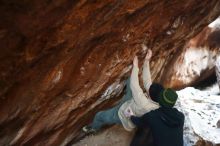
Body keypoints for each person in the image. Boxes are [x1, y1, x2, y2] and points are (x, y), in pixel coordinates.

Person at [82, 49, 164, 134]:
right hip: (131, 102)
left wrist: (135, 66)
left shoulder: (144, 103)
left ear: (150, 95)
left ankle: (94, 128)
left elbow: (134, 85)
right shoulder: (158, 99)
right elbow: (147, 81)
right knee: (129, 80)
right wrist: (147, 60)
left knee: (99, 116)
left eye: (149, 89)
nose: (148, 87)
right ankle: (124, 95)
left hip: (122, 114)